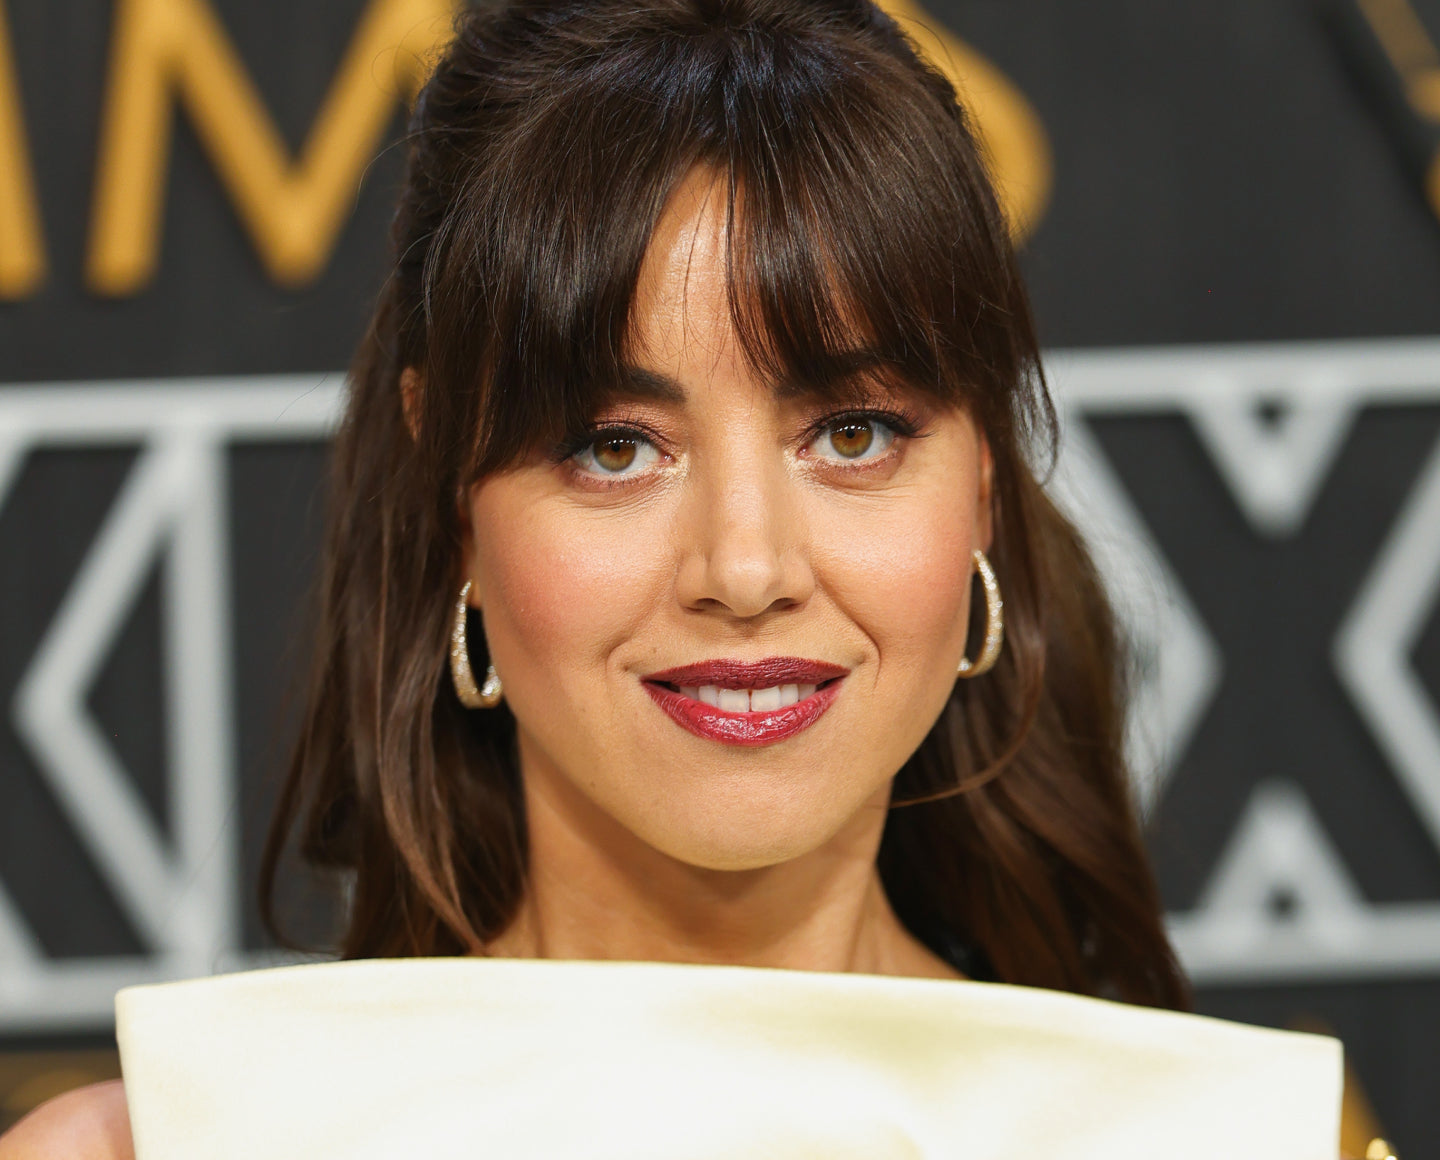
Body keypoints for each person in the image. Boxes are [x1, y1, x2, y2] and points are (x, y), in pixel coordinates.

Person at [5, 0, 1268, 1155]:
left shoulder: (1202, 1135)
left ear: (983, 479)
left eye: (854, 432)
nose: (747, 566)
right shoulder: (173, 1143)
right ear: (456, 498)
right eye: (617, 448)